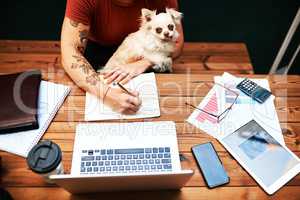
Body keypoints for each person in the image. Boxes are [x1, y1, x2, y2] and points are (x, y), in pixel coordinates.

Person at [61, 0, 184, 114]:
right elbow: (69, 52)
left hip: (151, 55)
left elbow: (177, 43)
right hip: (98, 58)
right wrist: (106, 94)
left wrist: (146, 62)